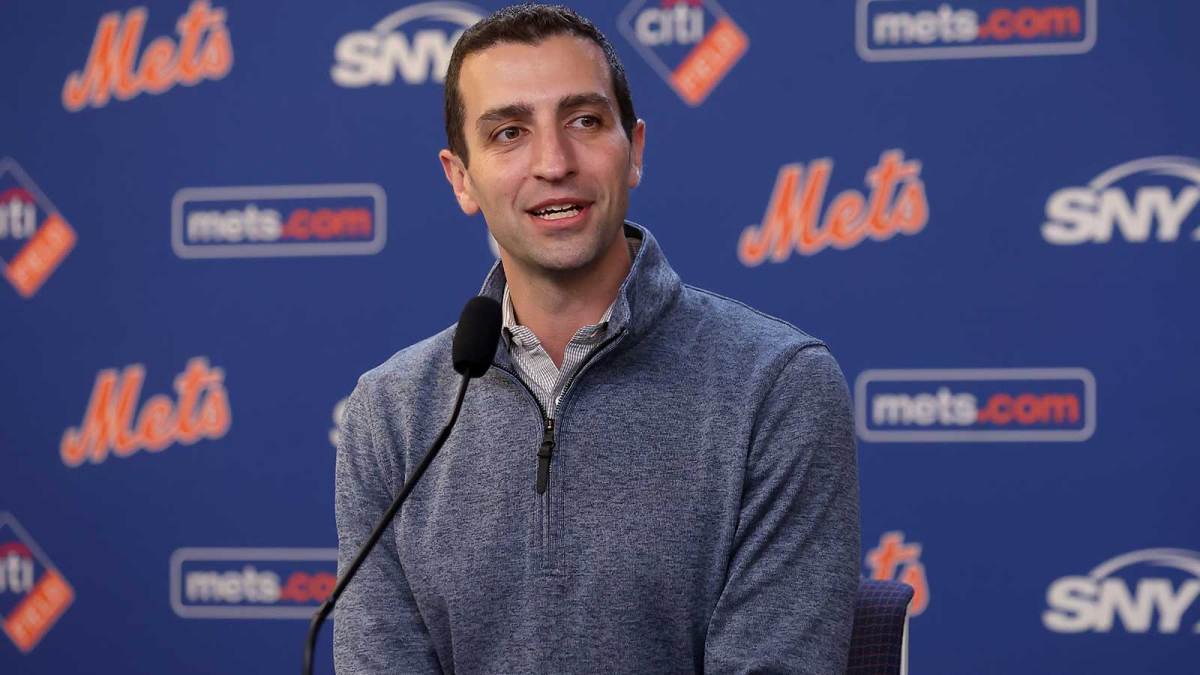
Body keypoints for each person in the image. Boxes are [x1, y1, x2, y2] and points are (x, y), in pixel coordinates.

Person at [334, 5, 860, 673]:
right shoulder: (389, 412)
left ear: (634, 149)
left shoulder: (777, 387)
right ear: (460, 177)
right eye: (508, 132)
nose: (554, 162)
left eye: (584, 121)